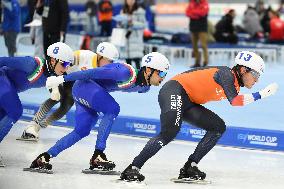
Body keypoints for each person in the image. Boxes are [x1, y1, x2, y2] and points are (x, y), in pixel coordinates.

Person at [120, 51, 278, 182]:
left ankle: (190, 166)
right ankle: (133, 168)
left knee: (218, 127)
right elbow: (236, 102)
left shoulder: (235, 83)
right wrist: (262, 94)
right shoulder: (226, 74)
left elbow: (237, 100)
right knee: (170, 131)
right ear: (243, 70)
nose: (257, 79)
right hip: (174, 90)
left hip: (188, 100)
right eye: (256, 74)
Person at [27, 52, 170, 173]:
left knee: (81, 131)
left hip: (85, 91)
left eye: (165, 73)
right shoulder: (124, 71)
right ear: (148, 70)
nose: (163, 77)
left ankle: (44, 157)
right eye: (161, 73)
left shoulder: (144, 87)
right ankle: (98, 155)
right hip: (84, 86)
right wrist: (61, 79)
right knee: (113, 108)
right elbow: (90, 72)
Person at [19, 42, 119, 141]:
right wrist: (54, 87)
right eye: (109, 61)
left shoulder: (104, 70)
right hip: (60, 76)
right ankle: (33, 124)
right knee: (56, 98)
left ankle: (38, 127)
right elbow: (59, 66)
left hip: (74, 82)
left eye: (112, 62)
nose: (111, 64)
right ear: (100, 56)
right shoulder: (81, 56)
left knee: (65, 107)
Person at [0, 42, 73, 165]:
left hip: (7, 87)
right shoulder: (32, 64)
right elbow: (2, 60)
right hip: (2, 78)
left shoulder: (54, 74)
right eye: (64, 64)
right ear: (53, 60)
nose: (66, 68)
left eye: (69, 65)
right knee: (15, 110)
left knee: (3, 115)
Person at [118, 0, 147, 69]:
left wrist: (133, 23)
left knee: (137, 61)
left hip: (135, 39)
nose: (130, 1)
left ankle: (140, 78)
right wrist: (120, 23)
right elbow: (121, 25)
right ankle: (130, 78)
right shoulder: (123, 11)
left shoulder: (140, 11)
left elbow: (143, 25)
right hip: (126, 39)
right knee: (128, 63)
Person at [185, 0, 209, 67]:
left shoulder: (204, 3)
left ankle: (205, 62)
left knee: (204, 45)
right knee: (194, 46)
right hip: (193, 27)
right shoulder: (191, 2)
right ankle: (197, 62)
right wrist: (197, 14)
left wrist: (193, 13)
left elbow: (203, 13)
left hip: (202, 28)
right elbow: (187, 13)